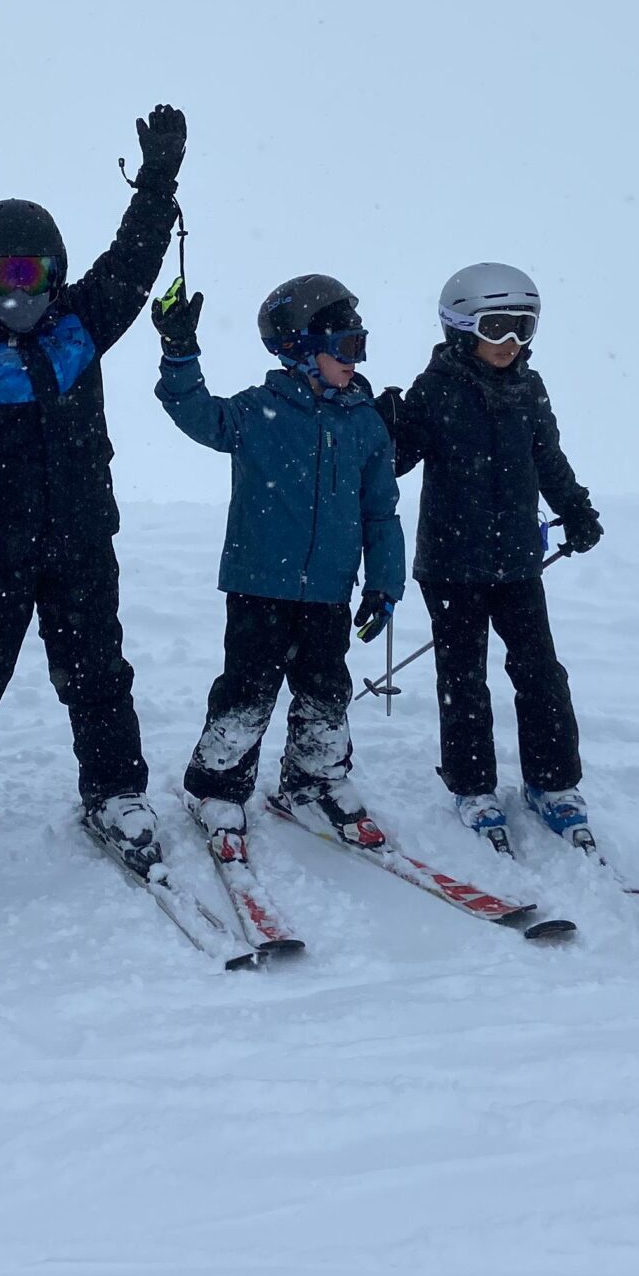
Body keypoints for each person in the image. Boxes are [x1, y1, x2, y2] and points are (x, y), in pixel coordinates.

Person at [0, 105, 188, 885]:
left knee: (97, 671)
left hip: (81, 543)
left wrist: (157, 182)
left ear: (55, 273)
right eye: (3, 275)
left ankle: (116, 790)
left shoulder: (81, 328)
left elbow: (133, 260)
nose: (20, 291)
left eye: (34, 273)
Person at [152, 272, 405, 856]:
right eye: (344, 347)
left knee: (325, 690)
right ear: (299, 350)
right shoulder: (256, 411)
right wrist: (179, 352)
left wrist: (385, 582)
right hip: (258, 584)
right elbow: (194, 412)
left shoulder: (365, 423)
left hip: (329, 591)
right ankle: (215, 785)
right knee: (248, 689)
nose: (354, 360)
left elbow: (381, 513)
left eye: (359, 345)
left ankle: (312, 780)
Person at [376, 263, 604, 853]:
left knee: (540, 672)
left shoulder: (530, 388)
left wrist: (575, 508)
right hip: (451, 563)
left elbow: (548, 458)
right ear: (460, 328)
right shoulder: (436, 389)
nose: (511, 343)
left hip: (518, 562)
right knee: (463, 678)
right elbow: (396, 463)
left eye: (523, 328)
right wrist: (387, 428)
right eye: (497, 327)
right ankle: (473, 785)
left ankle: (552, 784)